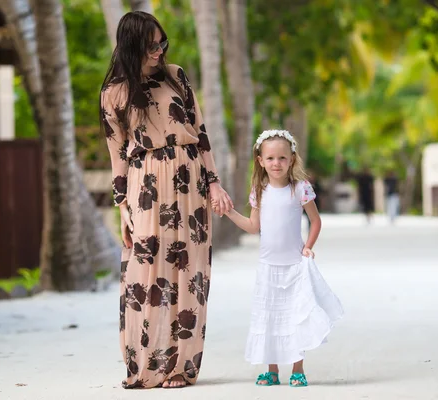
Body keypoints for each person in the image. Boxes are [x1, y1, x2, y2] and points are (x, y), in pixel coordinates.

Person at [100, 11, 233, 389]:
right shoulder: (113, 94)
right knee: (147, 275)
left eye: (163, 43)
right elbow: (117, 155)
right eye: (151, 44)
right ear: (131, 44)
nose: (158, 51)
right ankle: (146, 366)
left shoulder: (176, 76)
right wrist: (121, 206)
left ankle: (179, 367)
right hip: (145, 187)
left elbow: (201, 132)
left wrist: (215, 183)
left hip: (190, 179)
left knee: (189, 274)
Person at [213, 130, 343, 387]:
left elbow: (315, 221)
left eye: (282, 158)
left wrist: (308, 247)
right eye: (270, 158)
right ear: (260, 160)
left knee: (296, 318)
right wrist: (228, 212)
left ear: (292, 159)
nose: (276, 163)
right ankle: (271, 370)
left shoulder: (300, 189)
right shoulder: (259, 191)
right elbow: (253, 226)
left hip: (294, 266)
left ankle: (298, 370)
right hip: (268, 267)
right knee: (269, 317)